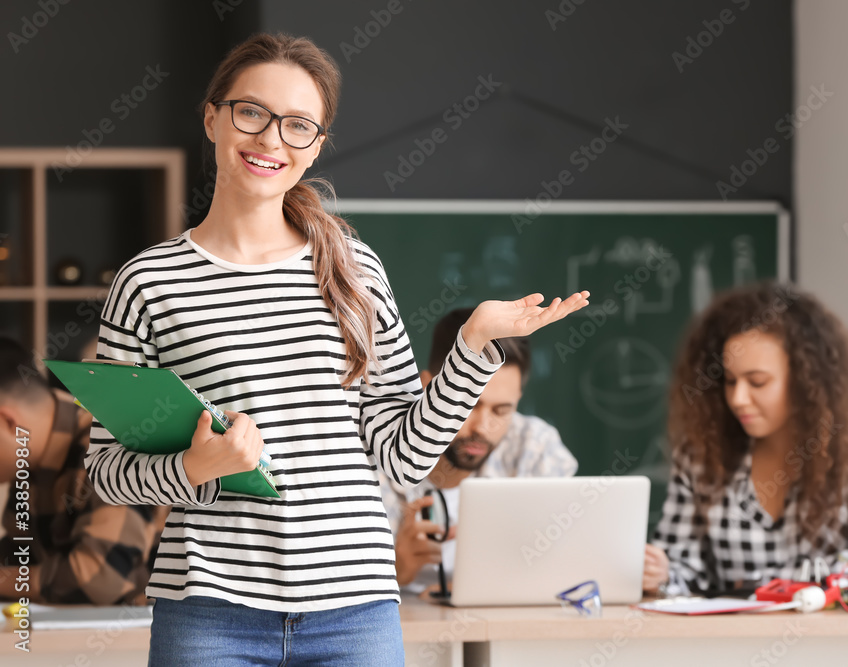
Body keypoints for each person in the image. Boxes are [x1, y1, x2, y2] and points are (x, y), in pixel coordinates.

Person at [84, 32, 588, 666]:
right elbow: (106, 472)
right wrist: (195, 469)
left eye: (298, 126)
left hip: (354, 615)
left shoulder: (353, 270)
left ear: (316, 145)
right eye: (251, 113)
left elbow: (403, 460)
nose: (271, 140)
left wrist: (473, 344)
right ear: (212, 118)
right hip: (209, 614)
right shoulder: (149, 282)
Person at [642, 282, 848, 596]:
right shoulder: (702, 453)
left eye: (757, 382)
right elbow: (686, 569)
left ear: (804, 380)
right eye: (730, 381)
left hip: (834, 642)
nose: (738, 398)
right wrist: (662, 574)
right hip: (730, 642)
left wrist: (756, 586)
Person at [380, 308, 578, 591]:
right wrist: (395, 572)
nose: (483, 427)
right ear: (428, 387)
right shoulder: (376, 457)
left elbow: (569, 561)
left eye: (502, 410)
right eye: (469, 405)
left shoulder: (534, 446)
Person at [0, 337, 167, 605]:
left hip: (148, 637)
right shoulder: (30, 462)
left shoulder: (106, 446)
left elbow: (100, 580)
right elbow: (22, 556)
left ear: (8, 421)